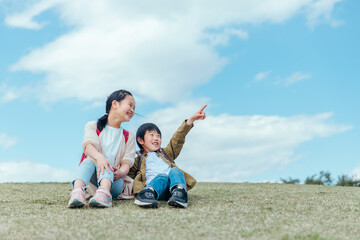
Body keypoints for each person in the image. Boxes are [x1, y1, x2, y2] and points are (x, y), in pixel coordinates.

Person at [128, 105, 207, 208]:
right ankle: (147, 194)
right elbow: (125, 171)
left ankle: (179, 193)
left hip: (171, 190)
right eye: (151, 135)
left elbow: (177, 139)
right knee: (163, 176)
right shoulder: (137, 160)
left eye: (158, 136)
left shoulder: (166, 153)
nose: (156, 138)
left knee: (175, 170)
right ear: (140, 140)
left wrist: (190, 120)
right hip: (152, 190)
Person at [68, 89, 136, 208]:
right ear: (115, 104)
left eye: (134, 108)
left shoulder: (129, 136)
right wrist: (100, 158)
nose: (132, 110)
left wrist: (120, 172)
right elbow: (88, 146)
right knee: (89, 161)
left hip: (115, 183)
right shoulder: (92, 126)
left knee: (106, 164)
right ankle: (78, 192)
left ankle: (104, 194)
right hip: (94, 181)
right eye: (130, 105)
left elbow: (127, 162)